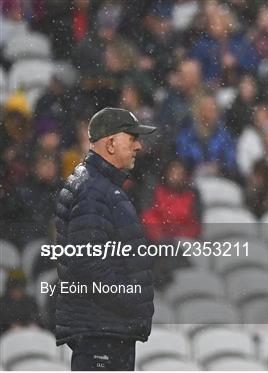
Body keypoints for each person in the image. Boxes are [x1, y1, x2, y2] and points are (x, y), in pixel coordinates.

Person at [54, 107, 156, 370]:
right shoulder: (94, 190)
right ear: (110, 143)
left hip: (106, 331)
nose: (138, 146)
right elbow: (87, 264)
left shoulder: (97, 186)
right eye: (132, 138)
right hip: (103, 333)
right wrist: (130, 300)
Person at [141, 159, 202, 241]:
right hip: (157, 242)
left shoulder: (191, 194)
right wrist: (159, 239)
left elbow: (194, 223)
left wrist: (180, 240)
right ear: (166, 173)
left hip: (183, 243)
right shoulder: (156, 191)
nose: (176, 177)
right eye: (173, 173)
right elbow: (149, 217)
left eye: (180, 174)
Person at [0, 269, 40, 336]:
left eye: (20, 289)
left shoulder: (30, 301)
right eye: (15, 289)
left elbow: (36, 319)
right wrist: (9, 327)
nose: (17, 292)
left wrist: (27, 326)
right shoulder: (3, 303)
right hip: (6, 338)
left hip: (28, 335)